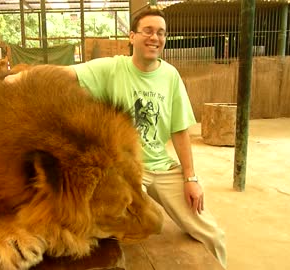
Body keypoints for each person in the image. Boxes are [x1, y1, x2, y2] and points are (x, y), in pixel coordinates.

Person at [60, 8, 227, 268]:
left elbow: (180, 130)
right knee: (121, 232)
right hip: (127, 170)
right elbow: (67, 73)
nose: (154, 38)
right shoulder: (112, 68)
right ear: (132, 36)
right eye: (148, 31)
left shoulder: (170, 75)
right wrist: (20, 77)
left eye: (161, 33)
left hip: (161, 165)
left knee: (213, 235)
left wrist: (190, 177)